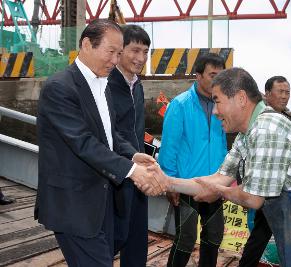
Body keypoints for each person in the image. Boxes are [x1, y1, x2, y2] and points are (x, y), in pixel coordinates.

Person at [149, 67, 291, 266]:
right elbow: (219, 178)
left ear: (240, 98)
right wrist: (166, 181)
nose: (215, 111)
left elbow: (252, 198)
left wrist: (218, 191)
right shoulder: (247, 133)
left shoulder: (267, 129)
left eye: (217, 101)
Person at [34, 19, 165, 267]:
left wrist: (132, 155)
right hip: (72, 203)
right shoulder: (59, 88)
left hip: (100, 199)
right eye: (111, 52)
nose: (116, 60)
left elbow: (109, 133)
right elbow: (84, 142)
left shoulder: (102, 85)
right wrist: (132, 171)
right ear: (86, 44)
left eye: (118, 53)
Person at [158, 53, 227, 267]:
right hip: (188, 185)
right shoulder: (179, 104)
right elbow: (169, 147)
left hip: (214, 183)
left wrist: (224, 180)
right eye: (212, 75)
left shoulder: (222, 105)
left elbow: (223, 145)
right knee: (186, 238)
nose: (217, 81)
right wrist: (170, 183)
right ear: (198, 75)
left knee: (214, 235)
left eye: (221, 76)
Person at [108, 25, 150, 267]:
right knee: (115, 235)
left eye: (145, 52)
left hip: (138, 169)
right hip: (116, 170)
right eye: (135, 50)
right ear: (120, 51)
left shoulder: (138, 85)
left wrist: (142, 157)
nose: (141, 58)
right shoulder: (106, 84)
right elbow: (108, 132)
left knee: (136, 237)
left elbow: (137, 130)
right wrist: (131, 155)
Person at [239, 75, 290, 267]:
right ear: (267, 94)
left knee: (266, 238)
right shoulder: (255, 122)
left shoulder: (288, 119)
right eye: (280, 92)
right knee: (258, 236)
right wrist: (244, 189)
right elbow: (242, 156)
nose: (285, 97)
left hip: (283, 193)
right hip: (261, 191)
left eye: (287, 93)